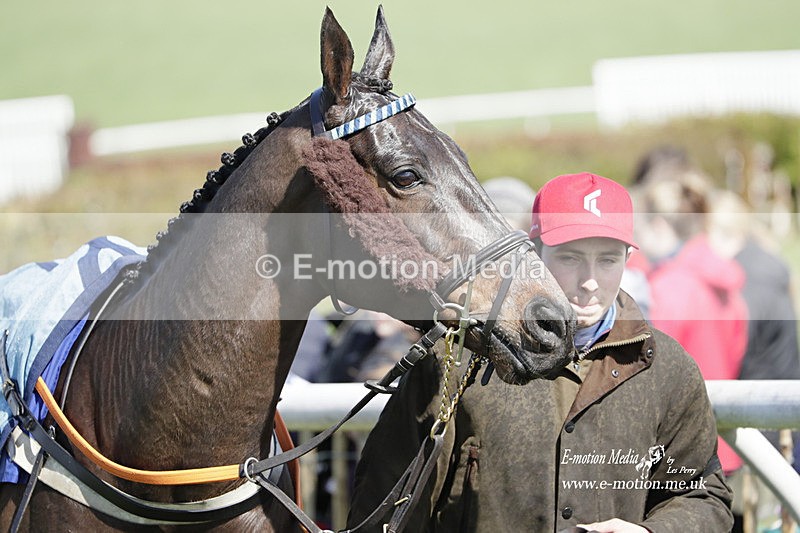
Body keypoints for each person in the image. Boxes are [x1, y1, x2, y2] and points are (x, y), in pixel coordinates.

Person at [347, 172, 733, 532]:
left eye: (609, 259)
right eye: (570, 257)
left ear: (629, 261)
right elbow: (384, 501)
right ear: (533, 253)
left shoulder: (667, 370)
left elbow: (703, 496)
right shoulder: (455, 358)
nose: (590, 281)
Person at [634, 172, 748, 478]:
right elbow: (737, 350)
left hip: (683, 449)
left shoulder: (669, 287)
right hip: (725, 442)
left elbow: (650, 367)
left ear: (657, 226)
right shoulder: (725, 282)